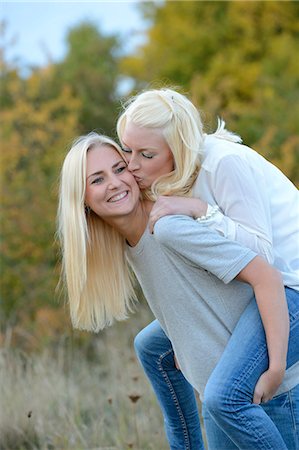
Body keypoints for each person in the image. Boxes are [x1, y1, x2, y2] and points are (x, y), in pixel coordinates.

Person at [57, 133, 299, 450]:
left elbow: (267, 276)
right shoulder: (129, 244)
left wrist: (276, 369)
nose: (115, 183)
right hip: (221, 398)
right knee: (150, 346)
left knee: (219, 396)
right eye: (98, 179)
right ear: (82, 199)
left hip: (271, 394)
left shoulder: (170, 226)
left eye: (119, 169)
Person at [116, 87, 299, 448]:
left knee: (223, 397)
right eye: (127, 149)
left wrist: (200, 210)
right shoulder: (173, 173)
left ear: (178, 148)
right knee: (154, 347)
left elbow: (262, 255)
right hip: (264, 284)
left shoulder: (223, 164)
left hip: (291, 286)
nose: (132, 164)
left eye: (146, 154)